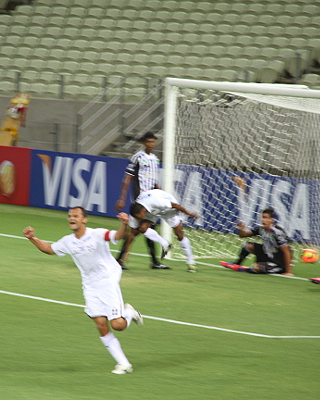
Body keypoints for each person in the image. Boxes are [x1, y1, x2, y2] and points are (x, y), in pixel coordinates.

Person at [23, 207, 143, 375]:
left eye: (76, 216)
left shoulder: (97, 234)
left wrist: (125, 225)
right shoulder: (68, 241)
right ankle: (124, 364)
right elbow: (50, 249)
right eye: (70, 216)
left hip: (107, 278)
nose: (71, 218)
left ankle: (129, 313)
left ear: (84, 219)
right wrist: (32, 238)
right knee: (101, 325)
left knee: (117, 325)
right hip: (90, 284)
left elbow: (117, 236)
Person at [115, 132, 169, 270]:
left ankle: (154, 262)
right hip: (140, 202)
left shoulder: (155, 159)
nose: (152, 144)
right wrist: (122, 198)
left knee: (148, 229)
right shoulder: (137, 157)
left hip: (152, 201)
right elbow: (128, 178)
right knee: (137, 230)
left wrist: (161, 194)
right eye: (149, 142)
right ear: (144, 143)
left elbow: (154, 180)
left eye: (153, 142)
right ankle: (120, 261)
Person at [128, 189, 199, 273]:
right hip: (153, 211)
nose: (138, 219)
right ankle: (165, 244)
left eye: (138, 217)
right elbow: (132, 232)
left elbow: (175, 205)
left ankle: (191, 262)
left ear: (142, 211)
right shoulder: (137, 209)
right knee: (142, 228)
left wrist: (189, 213)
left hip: (168, 209)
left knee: (179, 235)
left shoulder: (156, 202)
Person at [219, 208, 293, 276]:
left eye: (265, 217)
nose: (263, 220)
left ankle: (246, 269)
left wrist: (288, 272)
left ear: (272, 220)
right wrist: (241, 230)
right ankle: (237, 264)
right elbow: (244, 235)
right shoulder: (261, 229)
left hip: (278, 261)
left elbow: (287, 251)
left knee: (256, 268)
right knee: (247, 245)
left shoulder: (278, 232)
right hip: (267, 254)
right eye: (262, 217)